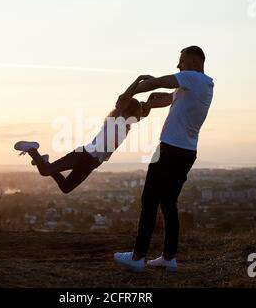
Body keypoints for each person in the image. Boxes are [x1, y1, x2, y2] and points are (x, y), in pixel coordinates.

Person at [114, 46, 214, 272]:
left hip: (170, 150)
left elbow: (156, 85)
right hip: (187, 152)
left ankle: (138, 257)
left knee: (149, 199)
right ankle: (168, 258)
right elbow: (169, 98)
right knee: (168, 202)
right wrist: (149, 103)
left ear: (192, 61)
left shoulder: (192, 78)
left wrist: (133, 90)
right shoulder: (200, 85)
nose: (178, 65)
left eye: (181, 61)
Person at [14, 75, 153, 194]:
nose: (138, 117)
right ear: (129, 111)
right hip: (84, 155)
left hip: (92, 163)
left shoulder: (127, 126)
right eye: (136, 114)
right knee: (45, 171)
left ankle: (45, 161)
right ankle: (32, 148)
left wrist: (154, 94)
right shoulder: (115, 118)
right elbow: (125, 98)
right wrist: (139, 80)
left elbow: (145, 111)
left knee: (66, 187)